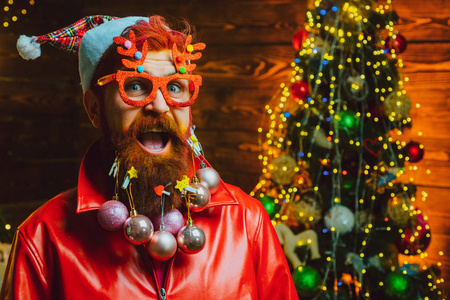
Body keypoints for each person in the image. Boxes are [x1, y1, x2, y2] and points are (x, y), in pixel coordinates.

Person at [1, 15, 298, 299]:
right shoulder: (42, 237)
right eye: (134, 86)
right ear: (94, 109)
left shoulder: (247, 221)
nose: (159, 106)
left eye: (174, 87)